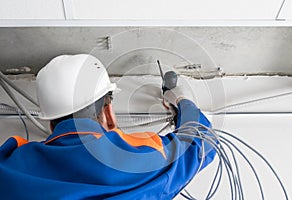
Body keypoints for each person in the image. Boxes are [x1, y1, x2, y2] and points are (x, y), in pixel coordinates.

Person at [0, 54, 217, 199]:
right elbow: (201, 141)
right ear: (108, 113)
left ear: (50, 122)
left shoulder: (10, 164)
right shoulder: (138, 155)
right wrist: (182, 99)